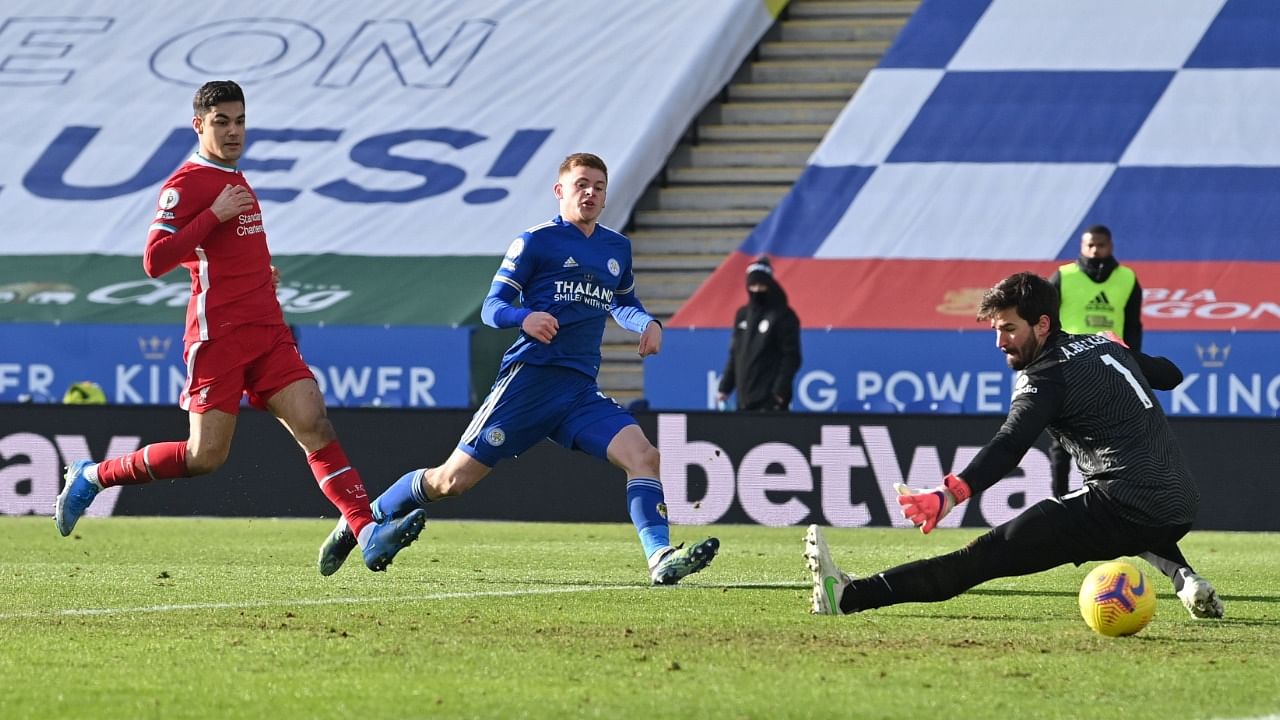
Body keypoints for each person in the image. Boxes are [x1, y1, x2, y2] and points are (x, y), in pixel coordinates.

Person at [53, 80, 425, 571]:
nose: (233, 131)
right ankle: (93, 476)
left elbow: (221, 252)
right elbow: (154, 260)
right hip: (218, 338)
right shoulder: (186, 184)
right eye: (221, 122)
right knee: (204, 456)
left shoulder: (235, 175)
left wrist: (257, 272)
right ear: (199, 125)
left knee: (314, 422)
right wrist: (213, 214)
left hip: (266, 329)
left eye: (240, 120)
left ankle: (366, 528)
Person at [313, 152, 720, 584]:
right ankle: (364, 520)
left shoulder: (615, 248)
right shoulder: (536, 242)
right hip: (529, 381)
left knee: (644, 456)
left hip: (579, 389)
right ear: (560, 190)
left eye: (599, 187)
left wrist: (648, 323)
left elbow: (623, 302)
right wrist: (523, 318)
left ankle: (659, 558)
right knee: (452, 482)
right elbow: (492, 307)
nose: (591, 193)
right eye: (581, 184)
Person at [804, 271, 1224, 620]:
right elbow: (1171, 374)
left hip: (1124, 503)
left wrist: (951, 493)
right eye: (995, 329)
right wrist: (1124, 347)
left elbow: (1010, 445)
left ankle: (846, 597)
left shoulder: (1045, 375)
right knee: (1131, 520)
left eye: (1009, 329)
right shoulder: (1100, 343)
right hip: (1181, 504)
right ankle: (1184, 578)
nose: (1000, 342)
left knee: (980, 558)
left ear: (1042, 324)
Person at [1047, 224, 1143, 497]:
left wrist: (1134, 361)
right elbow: (1046, 318)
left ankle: (1115, 499)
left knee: (1114, 436)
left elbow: (1134, 326)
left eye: (1100, 245)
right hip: (1068, 366)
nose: (1094, 250)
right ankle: (1060, 501)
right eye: (1089, 245)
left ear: (1110, 246)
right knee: (1061, 441)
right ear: (1081, 246)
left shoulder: (1127, 278)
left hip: (1110, 367)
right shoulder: (1064, 276)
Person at [716, 255, 802, 411]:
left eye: (761, 285)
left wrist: (779, 391)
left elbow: (792, 357)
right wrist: (725, 388)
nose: (756, 290)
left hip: (770, 401)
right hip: (744, 399)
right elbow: (736, 354)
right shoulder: (742, 315)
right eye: (752, 286)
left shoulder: (783, 315)